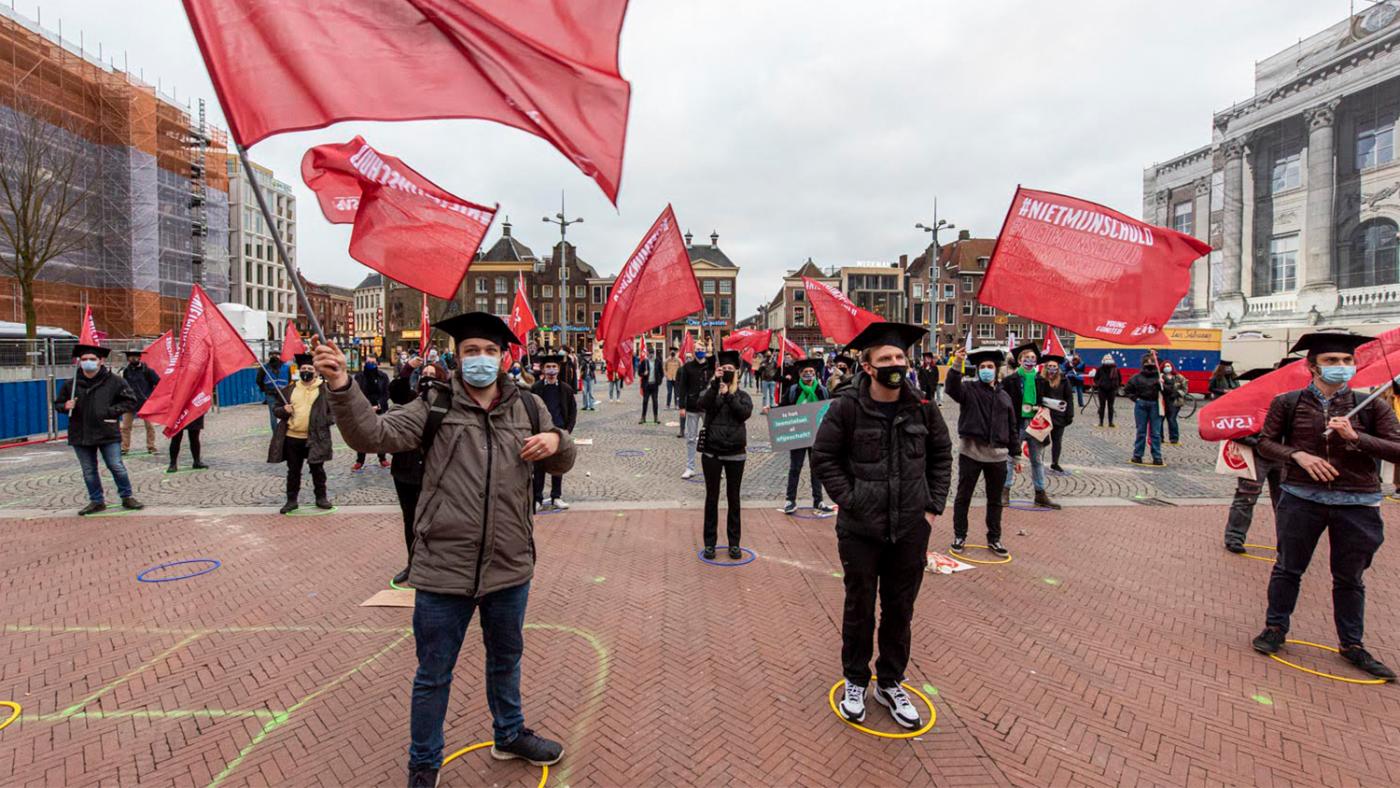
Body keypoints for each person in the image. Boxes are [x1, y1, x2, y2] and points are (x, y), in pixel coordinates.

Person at [317, 312, 577, 782]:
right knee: (433, 674)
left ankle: (509, 733)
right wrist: (342, 385)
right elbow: (371, 434)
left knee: (506, 659)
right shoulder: (433, 406)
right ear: (457, 358)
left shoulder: (530, 407)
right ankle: (424, 764)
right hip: (442, 569)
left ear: (504, 357)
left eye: (490, 351)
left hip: (509, 564)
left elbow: (565, 458)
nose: (481, 359)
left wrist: (556, 439)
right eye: (471, 351)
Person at [812, 322, 952, 730]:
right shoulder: (846, 407)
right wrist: (851, 499)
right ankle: (855, 678)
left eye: (900, 358)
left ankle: (890, 681)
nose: (896, 365)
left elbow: (941, 457)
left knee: (899, 609)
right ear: (868, 366)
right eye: (886, 359)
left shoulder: (924, 408)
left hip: (909, 528)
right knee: (859, 607)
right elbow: (825, 459)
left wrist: (931, 509)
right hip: (860, 530)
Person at [1250, 331, 1400, 681]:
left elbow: (1397, 448)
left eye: (1347, 361)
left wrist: (1355, 437)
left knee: (1350, 578)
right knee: (1288, 568)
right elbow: (1267, 443)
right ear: (1312, 365)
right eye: (1332, 361)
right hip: (1302, 499)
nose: (1341, 367)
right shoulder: (1288, 402)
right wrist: (1298, 455)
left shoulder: (1372, 404)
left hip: (1357, 502)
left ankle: (1352, 644)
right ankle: (1275, 627)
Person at [55, 344, 143, 515]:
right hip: (81, 433)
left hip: (107, 431)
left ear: (101, 361)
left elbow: (130, 400)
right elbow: (58, 403)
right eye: (84, 359)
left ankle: (127, 496)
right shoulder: (71, 384)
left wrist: (111, 411)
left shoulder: (115, 381)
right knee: (88, 470)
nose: (88, 362)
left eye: (92, 359)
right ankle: (96, 500)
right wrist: (65, 406)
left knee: (116, 466)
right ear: (79, 362)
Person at [945, 347, 1017, 555]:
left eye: (990, 367)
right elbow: (951, 388)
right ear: (977, 370)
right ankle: (959, 535)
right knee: (963, 496)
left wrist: (1016, 454)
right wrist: (957, 364)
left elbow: (1012, 427)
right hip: (971, 453)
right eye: (983, 367)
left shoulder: (1005, 397)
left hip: (998, 457)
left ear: (996, 370)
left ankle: (994, 538)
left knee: (995, 500)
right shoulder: (968, 390)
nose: (986, 370)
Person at [384, 362, 445, 586]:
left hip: (434, 472)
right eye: (425, 375)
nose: (428, 379)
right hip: (406, 471)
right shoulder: (411, 400)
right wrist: (408, 368)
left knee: (436, 522)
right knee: (410, 520)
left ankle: (437, 565)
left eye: (433, 375)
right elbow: (396, 390)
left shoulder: (448, 404)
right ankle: (413, 563)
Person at [697, 350, 754, 559]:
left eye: (731, 370)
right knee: (711, 498)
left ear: (737, 372)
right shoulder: (712, 390)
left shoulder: (742, 395)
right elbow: (702, 404)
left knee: (734, 499)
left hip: (735, 453)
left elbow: (743, 414)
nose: (728, 372)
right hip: (712, 453)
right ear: (719, 371)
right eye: (724, 369)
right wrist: (715, 386)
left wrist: (729, 395)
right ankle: (710, 543)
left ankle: (734, 543)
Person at [268, 353, 334, 514]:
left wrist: (325, 420)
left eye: (309, 369)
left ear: (316, 372)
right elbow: (276, 409)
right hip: (293, 437)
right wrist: (283, 410)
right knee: (293, 471)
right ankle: (291, 500)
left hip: (315, 438)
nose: (306, 371)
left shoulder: (325, 390)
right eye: (303, 368)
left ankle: (321, 497)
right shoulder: (289, 390)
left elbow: (334, 411)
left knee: (317, 470)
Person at [1001, 342, 1060, 509]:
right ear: (1020, 360)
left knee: (1037, 460)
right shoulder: (1010, 380)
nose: (1030, 360)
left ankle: (1040, 493)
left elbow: (1047, 401)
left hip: (1036, 424)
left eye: (1033, 358)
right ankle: (1005, 491)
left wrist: (1044, 408)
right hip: (1016, 423)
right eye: (1027, 357)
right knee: (1011, 458)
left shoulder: (1041, 380)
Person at [779, 359, 834, 515]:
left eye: (811, 372)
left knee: (816, 469)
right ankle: (790, 500)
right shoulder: (793, 390)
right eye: (805, 372)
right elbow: (783, 408)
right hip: (798, 434)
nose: (808, 374)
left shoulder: (822, 391)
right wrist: (772, 410)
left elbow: (829, 410)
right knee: (795, 467)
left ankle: (818, 501)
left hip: (817, 436)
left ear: (815, 373)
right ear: (800, 374)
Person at [528, 355, 577, 510]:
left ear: (559, 369)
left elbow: (572, 412)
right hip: (541, 432)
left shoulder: (566, 389)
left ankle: (556, 496)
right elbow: (530, 409)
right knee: (539, 467)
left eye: (554, 367)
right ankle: (537, 499)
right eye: (548, 366)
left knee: (557, 466)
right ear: (543, 369)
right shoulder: (536, 388)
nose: (551, 370)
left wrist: (567, 431)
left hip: (559, 432)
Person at [676, 345, 716, 479]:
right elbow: (682, 387)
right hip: (692, 406)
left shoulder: (711, 366)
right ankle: (690, 467)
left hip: (707, 407)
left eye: (702, 349)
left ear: (706, 351)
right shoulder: (687, 367)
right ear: (694, 351)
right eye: (697, 349)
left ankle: (713, 467)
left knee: (711, 437)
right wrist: (681, 406)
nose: (700, 352)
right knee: (691, 438)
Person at [1124, 352, 1167, 466]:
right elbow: (1127, 389)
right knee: (1142, 431)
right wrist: (1136, 399)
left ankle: (1156, 457)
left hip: (1154, 404)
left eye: (1152, 362)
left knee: (1155, 433)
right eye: (1147, 362)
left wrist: (1162, 384)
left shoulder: (1159, 377)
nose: (1149, 364)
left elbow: (1168, 392)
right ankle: (1138, 455)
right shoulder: (1137, 377)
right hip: (1142, 403)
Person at [352, 355, 391, 470]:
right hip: (363, 409)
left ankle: (382, 458)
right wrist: (367, 407)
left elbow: (386, 393)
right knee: (362, 435)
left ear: (377, 364)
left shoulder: (383, 376)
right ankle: (360, 460)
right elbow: (356, 393)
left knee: (380, 434)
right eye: (368, 362)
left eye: (373, 362)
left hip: (380, 409)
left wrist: (379, 405)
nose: (370, 364)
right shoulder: (359, 377)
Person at [119, 349, 160, 454]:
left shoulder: (147, 371)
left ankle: (151, 447)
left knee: (150, 427)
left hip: (145, 403)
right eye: (131, 357)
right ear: (128, 358)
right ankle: (124, 448)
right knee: (125, 427)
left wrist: (152, 396)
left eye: (135, 356)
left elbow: (159, 383)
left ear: (140, 357)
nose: (133, 359)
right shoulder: (124, 371)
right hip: (129, 403)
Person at [1040, 353, 1074, 473]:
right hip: (1044, 415)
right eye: (1050, 366)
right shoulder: (1041, 379)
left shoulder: (1064, 380)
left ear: (1058, 367)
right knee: (1041, 440)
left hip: (1059, 415)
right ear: (1046, 367)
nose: (1052, 368)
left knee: (1057, 440)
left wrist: (1070, 414)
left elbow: (1069, 398)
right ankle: (1039, 461)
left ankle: (1055, 462)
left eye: (1054, 366)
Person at [256, 350, 291, 431]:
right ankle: (276, 434)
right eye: (272, 355)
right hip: (271, 394)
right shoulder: (264, 368)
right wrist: (265, 389)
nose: (274, 356)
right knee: (274, 414)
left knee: (285, 412)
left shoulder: (286, 367)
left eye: (276, 354)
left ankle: (283, 431)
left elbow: (289, 380)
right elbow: (259, 380)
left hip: (283, 394)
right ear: (269, 356)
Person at [1161, 361, 1190, 445]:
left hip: (1175, 401)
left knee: (1171, 419)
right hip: (1163, 401)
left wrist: (1178, 393)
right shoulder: (1160, 377)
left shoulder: (1179, 377)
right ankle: (1160, 438)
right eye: (1165, 366)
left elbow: (1185, 389)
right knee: (1161, 420)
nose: (1167, 367)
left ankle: (1174, 438)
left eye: (1168, 365)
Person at [1094, 354, 1122, 427]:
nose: (1107, 360)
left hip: (1111, 390)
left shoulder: (1115, 369)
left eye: (1109, 359)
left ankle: (1110, 422)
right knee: (1102, 406)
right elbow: (1096, 378)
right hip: (1102, 390)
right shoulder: (1100, 369)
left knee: (1111, 406)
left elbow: (1119, 379)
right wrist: (1099, 384)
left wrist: (1115, 386)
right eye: (1106, 359)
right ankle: (1101, 422)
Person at [637, 352, 661, 424]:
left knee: (655, 401)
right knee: (645, 401)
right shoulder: (644, 362)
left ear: (654, 354)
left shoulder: (657, 362)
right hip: (646, 385)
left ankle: (656, 417)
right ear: (647, 355)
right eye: (650, 354)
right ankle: (643, 417)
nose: (651, 355)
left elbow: (661, 372)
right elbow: (639, 372)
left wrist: (659, 381)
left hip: (654, 385)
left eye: (652, 354)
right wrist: (643, 374)